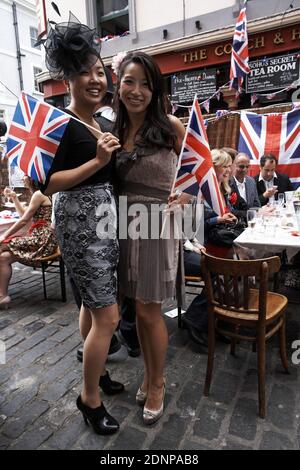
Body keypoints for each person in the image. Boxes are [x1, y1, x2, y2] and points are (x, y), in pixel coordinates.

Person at [40, 14, 122, 435]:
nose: (95, 79)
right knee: (107, 314)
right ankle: (89, 399)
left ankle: (98, 367)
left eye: (99, 71)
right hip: (77, 219)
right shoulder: (59, 123)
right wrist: (97, 161)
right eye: (84, 72)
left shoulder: (102, 121)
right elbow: (48, 184)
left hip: (106, 218)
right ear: (68, 78)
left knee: (93, 305)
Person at [113, 51, 186, 424]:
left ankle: (157, 382)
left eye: (145, 82)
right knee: (136, 311)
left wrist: (185, 200)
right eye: (129, 81)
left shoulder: (171, 125)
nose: (136, 90)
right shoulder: (113, 130)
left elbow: (197, 175)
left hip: (159, 223)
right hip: (125, 224)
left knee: (148, 309)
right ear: (119, 84)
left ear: (155, 88)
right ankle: (149, 373)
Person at [0, 176, 57, 308]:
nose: (23, 178)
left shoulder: (39, 194)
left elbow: (24, 220)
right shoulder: (50, 192)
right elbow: (25, 216)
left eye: (26, 176)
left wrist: (5, 235)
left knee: (2, 244)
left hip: (41, 240)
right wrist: (14, 197)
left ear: (33, 179)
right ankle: (2, 296)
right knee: (3, 258)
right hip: (48, 240)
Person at [204, 149, 239, 258]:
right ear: (212, 167)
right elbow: (193, 227)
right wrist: (219, 219)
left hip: (227, 241)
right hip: (208, 245)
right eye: (224, 166)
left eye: (229, 166)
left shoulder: (225, 191)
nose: (229, 170)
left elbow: (230, 215)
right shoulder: (201, 193)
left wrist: (233, 219)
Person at [230, 152, 261, 219]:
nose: (244, 169)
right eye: (241, 166)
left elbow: (257, 205)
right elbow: (230, 211)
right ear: (234, 166)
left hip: (251, 221)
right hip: (234, 224)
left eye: (247, 166)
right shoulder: (228, 183)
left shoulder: (251, 181)